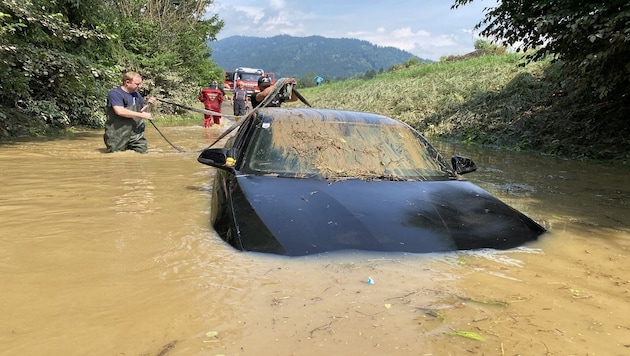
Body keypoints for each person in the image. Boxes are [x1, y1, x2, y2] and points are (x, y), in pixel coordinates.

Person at [103, 71, 156, 153]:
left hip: (136, 134)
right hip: (117, 135)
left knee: (143, 154)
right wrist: (142, 116)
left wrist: (149, 105)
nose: (140, 86)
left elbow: (141, 111)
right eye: (137, 84)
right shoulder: (115, 93)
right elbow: (120, 111)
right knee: (116, 159)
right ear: (127, 82)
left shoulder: (136, 94)